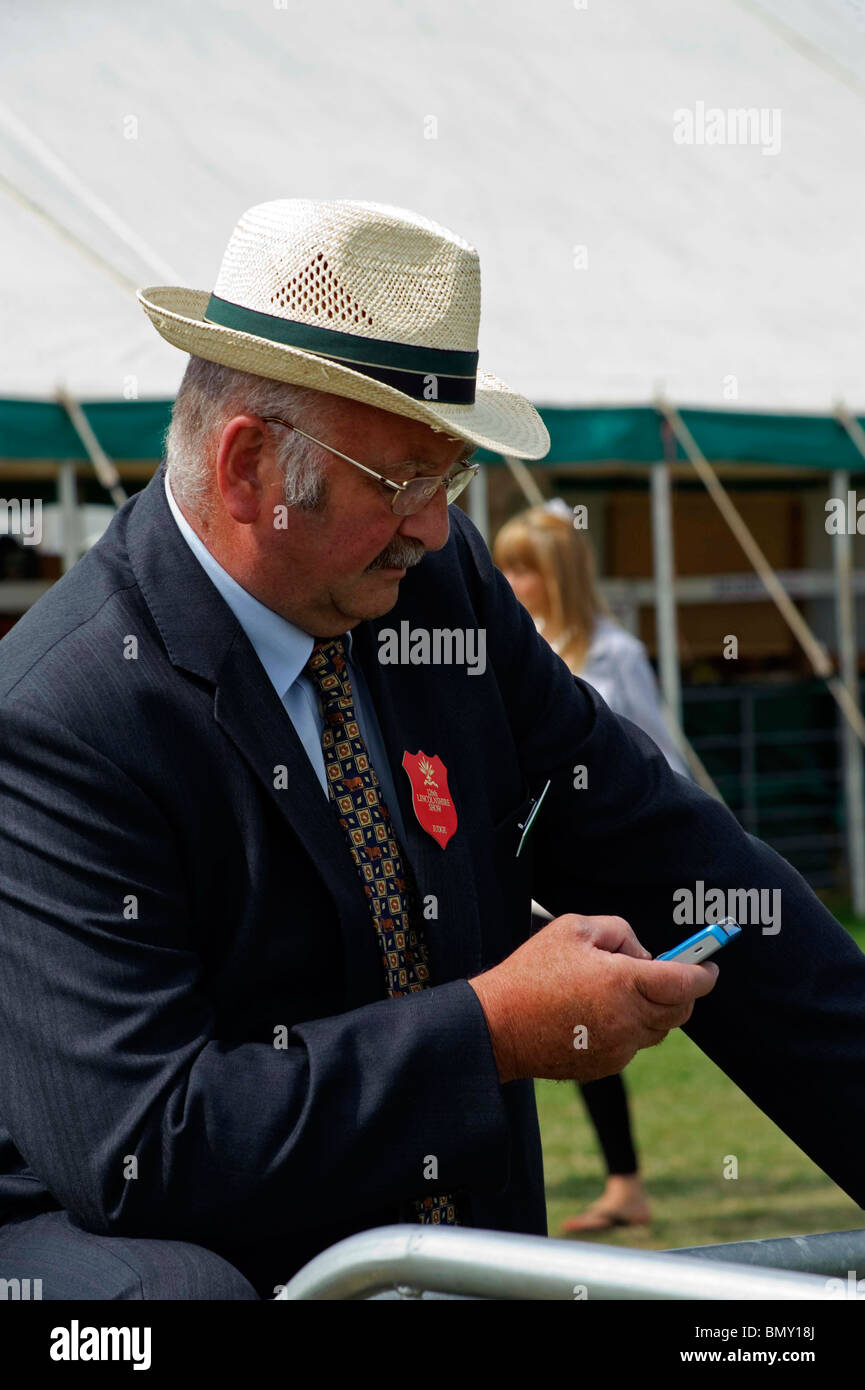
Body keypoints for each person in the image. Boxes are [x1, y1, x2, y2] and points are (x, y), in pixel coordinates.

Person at [1, 200, 864, 1302]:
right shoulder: (61, 714)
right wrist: (489, 1029)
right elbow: (144, 1145)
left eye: (452, 478)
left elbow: (672, 851)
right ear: (250, 465)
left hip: (445, 1253)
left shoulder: (435, 591)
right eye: (402, 480)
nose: (433, 524)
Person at [495, 504, 689, 1234]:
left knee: (594, 1020)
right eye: (506, 567)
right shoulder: (509, 650)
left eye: (525, 568)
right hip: (522, 868)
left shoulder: (613, 654)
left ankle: (621, 1183)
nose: (511, 582)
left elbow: (657, 760)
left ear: (559, 576)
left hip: (591, 873)